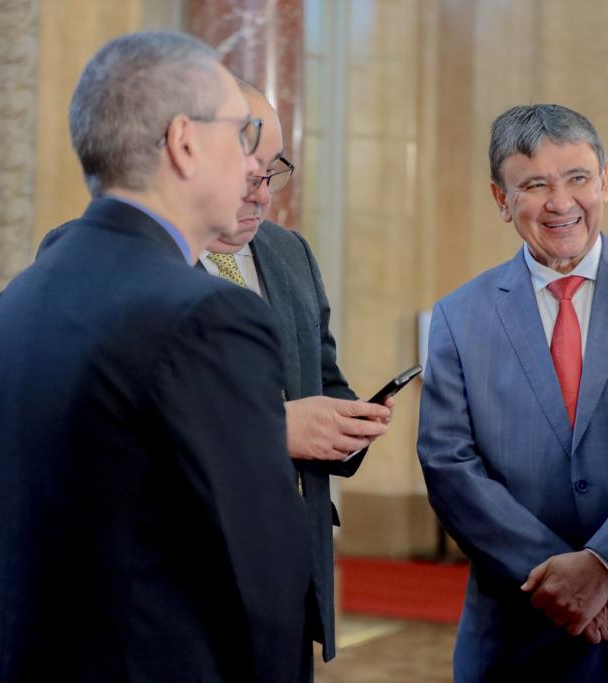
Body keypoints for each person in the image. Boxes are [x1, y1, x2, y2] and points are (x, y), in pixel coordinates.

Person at [0, 31, 311, 683]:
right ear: (185, 142)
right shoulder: (207, 314)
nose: (253, 168)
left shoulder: (23, 293)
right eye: (242, 136)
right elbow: (262, 576)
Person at [416, 103, 608, 681]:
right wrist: (562, 579)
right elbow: (447, 464)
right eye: (534, 185)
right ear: (501, 200)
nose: (560, 202)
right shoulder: (460, 316)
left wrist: (607, 564)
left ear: (604, 181)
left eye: (577, 178)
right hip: (515, 638)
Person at [198, 80, 392, 680]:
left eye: (273, 174)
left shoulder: (289, 253)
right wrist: (276, 429)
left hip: (289, 566)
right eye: (248, 176)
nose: (263, 196)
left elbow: (323, 379)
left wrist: (348, 423)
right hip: (194, 565)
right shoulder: (149, 261)